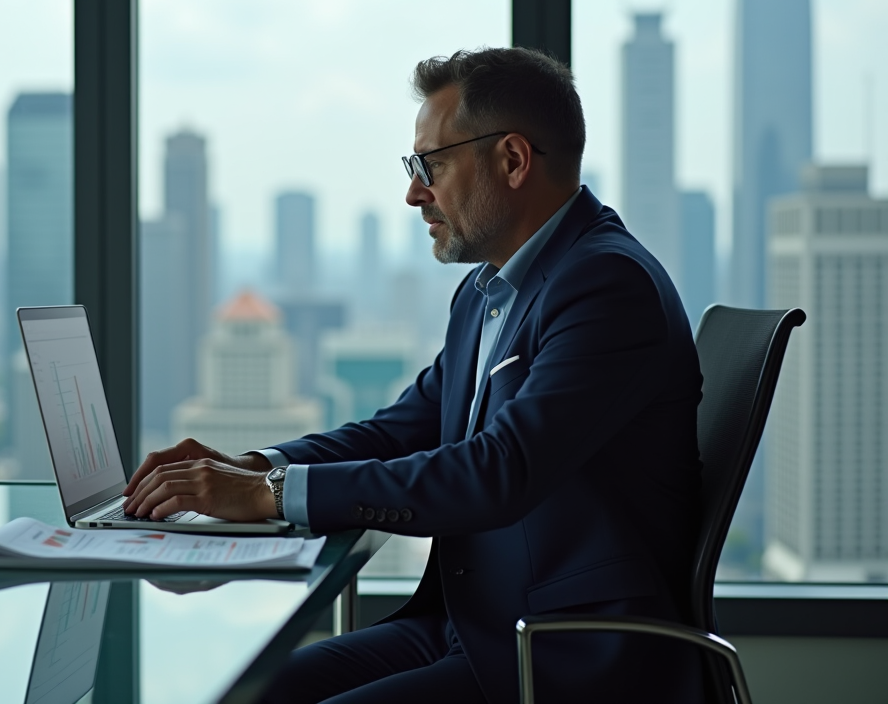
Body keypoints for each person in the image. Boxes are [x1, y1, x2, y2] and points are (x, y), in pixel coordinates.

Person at [122, 47, 704, 703]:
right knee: (251, 691)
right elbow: (402, 429)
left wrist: (272, 496)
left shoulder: (606, 284)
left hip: (563, 653)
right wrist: (255, 468)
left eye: (432, 165)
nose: (413, 192)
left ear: (512, 160)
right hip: (474, 626)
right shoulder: (489, 292)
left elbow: (499, 470)